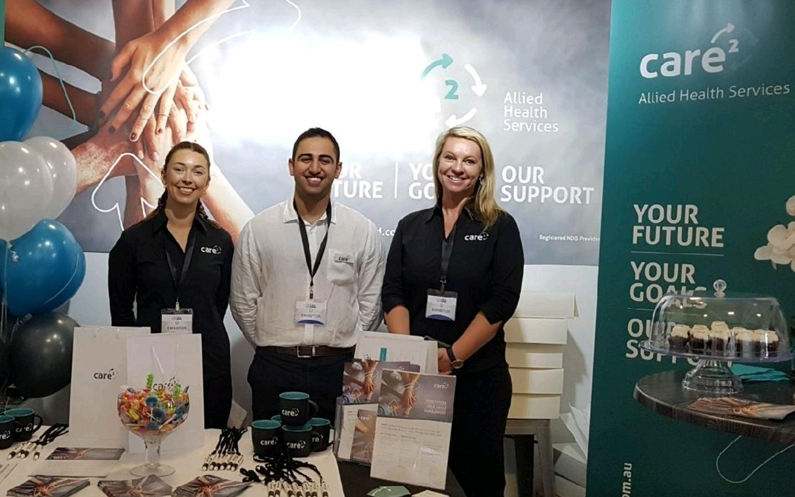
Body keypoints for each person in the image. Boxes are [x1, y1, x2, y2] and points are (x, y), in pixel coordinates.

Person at [381, 126, 524, 497]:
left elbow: (501, 301)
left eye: (469, 160)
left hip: (477, 380)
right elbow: (393, 292)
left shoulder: (500, 227)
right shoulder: (410, 226)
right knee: (410, 480)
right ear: (437, 163)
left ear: (481, 172)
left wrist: (451, 358)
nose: (457, 167)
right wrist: (412, 357)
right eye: (450, 157)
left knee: (478, 482)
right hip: (414, 379)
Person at [230, 127, 385, 422]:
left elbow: (370, 303)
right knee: (269, 460)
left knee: (338, 462)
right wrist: (274, 342)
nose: (315, 168)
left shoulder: (362, 230)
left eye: (325, 160)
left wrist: (342, 342)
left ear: (338, 169)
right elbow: (243, 301)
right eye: (306, 159)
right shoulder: (259, 228)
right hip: (275, 368)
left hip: (339, 369)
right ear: (291, 166)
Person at [108, 141, 235, 429]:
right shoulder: (134, 240)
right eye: (179, 169)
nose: (187, 178)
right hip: (151, 367)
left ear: (206, 182)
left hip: (208, 362)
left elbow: (219, 303)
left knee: (208, 446)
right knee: (156, 445)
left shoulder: (219, 241)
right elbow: (122, 313)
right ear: (164, 176)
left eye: (197, 172)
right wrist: (137, 359)